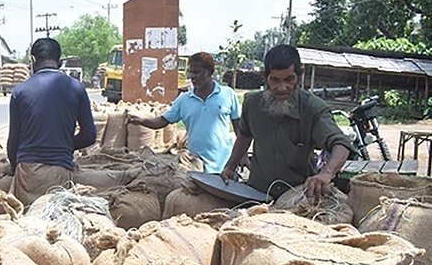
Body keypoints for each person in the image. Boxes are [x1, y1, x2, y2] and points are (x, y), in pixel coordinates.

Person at [220, 45, 353, 200]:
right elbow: (244, 136)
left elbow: (341, 144)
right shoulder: (252, 103)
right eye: (274, 80)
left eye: (289, 79)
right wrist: (230, 166)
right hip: (256, 192)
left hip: (298, 196)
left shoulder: (313, 108)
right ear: (265, 76)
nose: (281, 88)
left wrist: (326, 174)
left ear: (300, 75)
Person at [7, 37, 97, 206]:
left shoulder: (19, 91)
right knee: (56, 222)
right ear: (60, 62)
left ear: (32, 61)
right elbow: (89, 135)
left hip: (27, 172)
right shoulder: (76, 87)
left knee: (25, 222)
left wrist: (14, 169)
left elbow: (13, 141)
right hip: (59, 170)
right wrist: (63, 145)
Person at [127, 52, 240, 173]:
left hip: (225, 166)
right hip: (197, 165)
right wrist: (142, 121)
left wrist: (241, 156)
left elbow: (240, 129)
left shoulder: (227, 95)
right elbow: (163, 121)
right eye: (190, 72)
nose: (192, 77)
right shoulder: (184, 100)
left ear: (210, 72)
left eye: (197, 72)